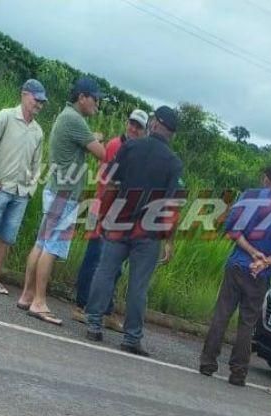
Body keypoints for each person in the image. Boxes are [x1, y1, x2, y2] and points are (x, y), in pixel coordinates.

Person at [85, 105, 183, 356]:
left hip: (118, 222)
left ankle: (94, 323)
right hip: (148, 232)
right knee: (138, 285)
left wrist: (103, 216)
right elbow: (171, 206)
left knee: (105, 272)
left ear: (154, 123)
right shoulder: (173, 163)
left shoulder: (130, 147)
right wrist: (169, 241)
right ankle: (131, 338)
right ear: (171, 133)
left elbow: (111, 184)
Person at [198, 165, 271, 386]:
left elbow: (232, 228)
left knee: (222, 314)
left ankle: (208, 362)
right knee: (247, 323)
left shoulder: (249, 197)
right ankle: (238, 372)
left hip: (238, 264)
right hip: (260, 274)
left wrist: (252, 252)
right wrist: (266, 261)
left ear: (265, 179)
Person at [17, 77, 106, 325]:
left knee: (41, 243)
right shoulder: (75, 120)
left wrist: (92, 137)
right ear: (82, 97)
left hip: (56, 190)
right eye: (95, 99)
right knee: (52, 248)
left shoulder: (67, 117)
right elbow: (102, 154)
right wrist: (100, 140)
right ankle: (39, 302)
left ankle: (27, 295)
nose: (97, 105)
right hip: (65, 194)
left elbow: (83, 141)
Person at [72, 109, 149, 331]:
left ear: (145, 131)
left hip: (118, 212)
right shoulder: (117, 146)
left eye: (139, 126)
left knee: (113, 264)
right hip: (103, 208)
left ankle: (105, 310)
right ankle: (81, 305)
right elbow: (109, 182)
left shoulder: (136, 150)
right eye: (132, 124)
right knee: (95, 258)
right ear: (127, 123)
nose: (134, 129)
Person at [0, 79, 46, 294]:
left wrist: (30, 190)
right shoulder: (6, 116)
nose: (39, 104)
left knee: (7, 236)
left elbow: (37, 164)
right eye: (36, 99)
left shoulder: (38, 131)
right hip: (0, 185)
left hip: (21, 192)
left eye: (42, 101)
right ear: (24, 95)